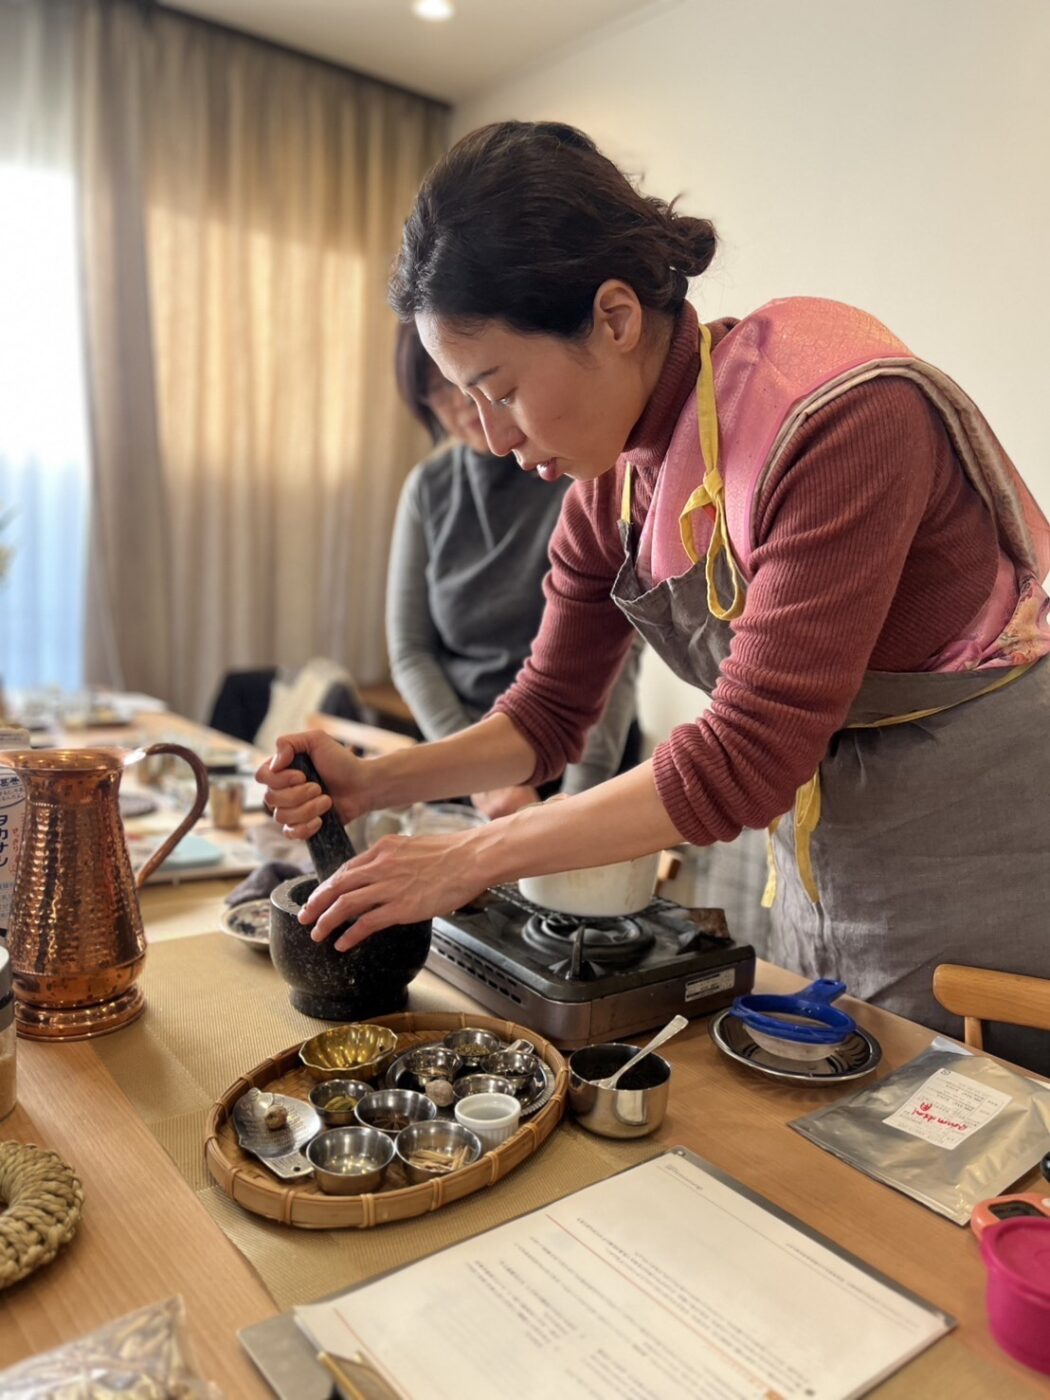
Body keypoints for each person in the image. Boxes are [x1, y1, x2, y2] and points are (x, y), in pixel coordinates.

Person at [258, 121, 1050, 1070]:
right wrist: (375, 780)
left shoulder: (840, 416)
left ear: (616, 316)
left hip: (985, 830)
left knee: (976, 1117)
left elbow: (747, 755)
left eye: (500, 391)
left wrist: (469, 857)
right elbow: (548, 715)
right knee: (833, 1099)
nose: (495, 439)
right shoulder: (614, 486)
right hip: (835, 825)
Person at [387, 322, 640, 818]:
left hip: (580, 758)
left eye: (474, 382)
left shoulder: (580, 470)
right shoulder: (428, 489)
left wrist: (575, 805)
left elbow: (615, 653)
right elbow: (411, 653)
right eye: (439, 388)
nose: (463, 403)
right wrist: (477, 775)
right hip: (464, 755)